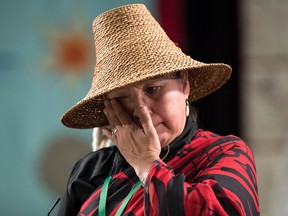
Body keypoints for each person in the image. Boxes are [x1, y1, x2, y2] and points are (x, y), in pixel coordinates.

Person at [55, 4, 260, 216]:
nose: (141, 110)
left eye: (153, 89)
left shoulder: (224, 153)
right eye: (122, 99)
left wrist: (146, 163)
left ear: (185, 85)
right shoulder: (90, 170)